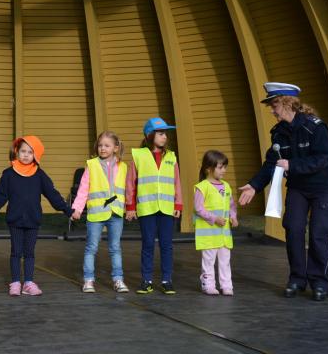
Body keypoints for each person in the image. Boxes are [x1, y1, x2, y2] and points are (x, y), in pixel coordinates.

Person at [238, 82, 328, 301]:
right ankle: (297, 279)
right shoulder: (278, 133)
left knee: (319, 233)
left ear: (287, 102)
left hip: (322, 188)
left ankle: (320, 282)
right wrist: (254, 185)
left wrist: (293, 166)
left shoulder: (316, 127)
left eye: (274, 105)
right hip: (298, 188)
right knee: (293, 229)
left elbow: (323, 158)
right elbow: (272, 163)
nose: (272, 111)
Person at [0, 136, 72, 296]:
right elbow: (0, 197)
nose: (25, 155)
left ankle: (29, 283)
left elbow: (53, 195)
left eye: (30, 152)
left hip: (33, 220)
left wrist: (67, 210)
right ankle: (16, 282)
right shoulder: (8, 174)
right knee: (16, 252)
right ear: (17, 152)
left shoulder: (40, 175)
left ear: (36, 155)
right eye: (23, 151)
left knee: (29, 253)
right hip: (15, 220)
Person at [125, 117, 182, 295]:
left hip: (166, 208)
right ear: (150, 135)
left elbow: (176, 183)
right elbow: (130, 184)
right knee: (148, 244)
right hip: (147, 208)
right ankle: (146, 280)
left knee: (167, 245)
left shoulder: (171, 156)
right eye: (161, 133)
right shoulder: (138, 156)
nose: (165, 137)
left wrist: (178, 204)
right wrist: (130, 206)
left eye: (165, 134)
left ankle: (167, 280)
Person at [71, 131, 129, 294]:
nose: (102, 148)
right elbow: (83, 189)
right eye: (100, 145)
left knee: (115, 247)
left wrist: (130, 208)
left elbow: (128, 190)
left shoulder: (123, 167)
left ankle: (118, 279)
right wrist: (77, 208)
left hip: (116, 213)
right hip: (96, 214)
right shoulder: (92, 165)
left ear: (116, 148)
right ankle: (88, 280)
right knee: (91, 247)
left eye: (107, 145)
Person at [193, 150, 238, 296]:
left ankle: (226, 285)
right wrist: (214, 219)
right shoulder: (202, 187)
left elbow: (231, 205)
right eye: (220, 167)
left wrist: (233, 217)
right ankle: (208, 284)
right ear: (208, 169)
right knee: (209, 261)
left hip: (224, 235)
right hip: (209, 235)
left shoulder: (226, 186)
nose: (224, 170)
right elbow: (198, 208)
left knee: (225, 261)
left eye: (225, 167)